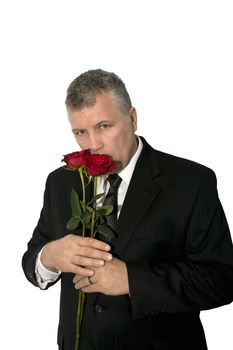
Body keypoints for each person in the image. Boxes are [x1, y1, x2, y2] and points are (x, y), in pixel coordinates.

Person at [22, 69, 233, 350]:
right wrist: (48, 257)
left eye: (104, 126)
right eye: (80, 132)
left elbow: (221, 280)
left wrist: (133, 281)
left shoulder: (192, 182)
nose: (93, 145)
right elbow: (32, 259)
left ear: (132, 118)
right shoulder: (60, 182)